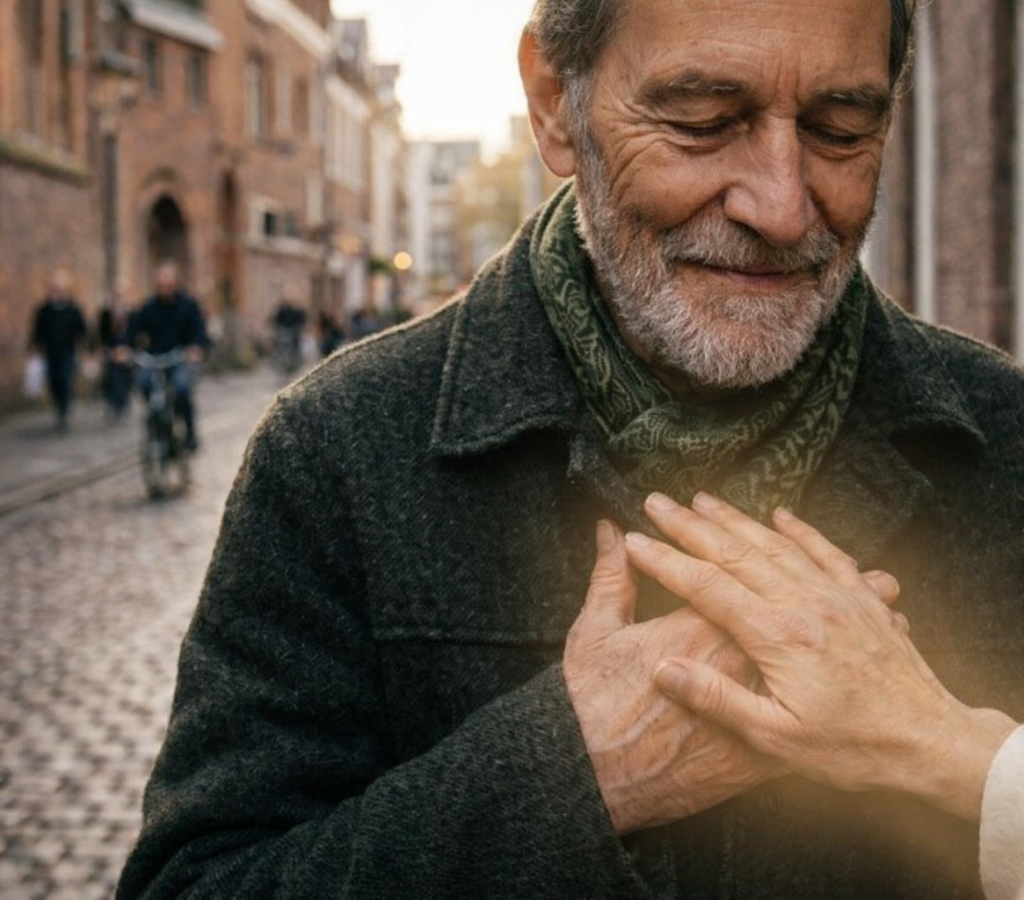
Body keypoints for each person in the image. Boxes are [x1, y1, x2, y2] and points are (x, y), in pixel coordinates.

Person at [117, 2, 1024, 899]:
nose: (783, 208)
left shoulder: (1007, 440)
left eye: (839, 130)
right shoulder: (334, 449)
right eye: (702, 122)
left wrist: (950, 755)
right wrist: (570, 776)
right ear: (555, 103)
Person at [122, 261, 208, 452]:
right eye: (160, 284)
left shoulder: (188, 305)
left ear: (175, 283)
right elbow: (133, 330)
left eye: (167, 284)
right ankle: (156, 423)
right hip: (155, 359)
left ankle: (189, 431)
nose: (164, 288)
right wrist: (124, 348)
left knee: (182, 387)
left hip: (179, 357)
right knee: (144, 382)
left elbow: (199, 331)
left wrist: (196, 348)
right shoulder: (148, 307)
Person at [28, 269, 87, 431]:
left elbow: (81, 329)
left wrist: (87, 348)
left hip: (68, 351)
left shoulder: (73, 309)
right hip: (50, 352)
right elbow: (37, 331)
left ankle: (65, 410)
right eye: (53, 287)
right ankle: (59, 409)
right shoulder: (44, 310)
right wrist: (34, 348)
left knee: (65, 380)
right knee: (53, 382)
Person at [97, 279, 133, 421]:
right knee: (111, 378)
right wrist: (108, 349)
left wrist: (127, 348)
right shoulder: (106, 314)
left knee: (124, 378)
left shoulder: (130, 313)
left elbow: (133, 333)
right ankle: (112, 402)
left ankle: (122, 403)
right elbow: (101, 333)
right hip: (111, 350)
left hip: (125, 350)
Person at [269, 289, 308, 375]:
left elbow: (301, 320)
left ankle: (293, 362)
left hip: (292, 332)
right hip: (285, 331)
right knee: (284, 347)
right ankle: (285, 363)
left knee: (293, 347)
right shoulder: (283, 311)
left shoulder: (296, 311)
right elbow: (276, 320)